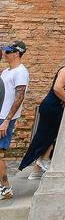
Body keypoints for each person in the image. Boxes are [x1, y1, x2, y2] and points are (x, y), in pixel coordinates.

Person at [18, 62, 65, 178]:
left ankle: (37, 170)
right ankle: (43, 161)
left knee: (48, 135)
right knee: (49, 136)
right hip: (52, 106)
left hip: (55, 106)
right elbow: (57, 88)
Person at [0, 42, 29, 200]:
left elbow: (19, 97)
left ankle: (6, 189)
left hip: (4, 118)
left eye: (8, 52)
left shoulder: (20, 72)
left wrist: (6, 120)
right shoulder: (6, 71)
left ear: (17, 53)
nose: (5, 54)